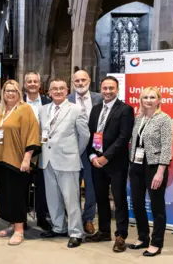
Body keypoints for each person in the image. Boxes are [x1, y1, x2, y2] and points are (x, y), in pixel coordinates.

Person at [84, 76, 134, 252]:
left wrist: (106, 157)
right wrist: (92, 156)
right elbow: (91, 135)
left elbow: (123, 137)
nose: (107, 91)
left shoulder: (126, 109)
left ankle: (121, 235)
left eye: (111, 88)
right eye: (105, 88)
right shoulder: (96, 109)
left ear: (117, 89)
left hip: (116, 164)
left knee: (119, 200)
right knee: (101, 198)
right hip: (96, 162)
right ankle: (104, 231)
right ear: (100, 88)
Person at [39, 78, 90, 248]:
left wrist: (75, 152)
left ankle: (76, 232)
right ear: (49, 92)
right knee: (52, 198)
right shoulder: (43, 110)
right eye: (54, 89)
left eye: (61, 88)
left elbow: (85, 136)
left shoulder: (76, 109)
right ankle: (58, 227)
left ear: (67, 91)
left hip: (68, 160)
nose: (58, 91)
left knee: (71, 199)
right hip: (47, 160)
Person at [0, 80, 41, 246]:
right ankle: (12, 224)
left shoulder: (25, 109)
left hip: (17, 161)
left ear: (19, 92)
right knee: (5, 196)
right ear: (3, 93)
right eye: (7, 91)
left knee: (17, 196)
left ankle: (19, 230)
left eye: (13, 91)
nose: (10, 93)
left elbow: (33, 133)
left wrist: (27, 158)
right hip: (0, 160)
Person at [128, 87, 173, 257]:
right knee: (137, 203)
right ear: (141, 100)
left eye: (152, 97)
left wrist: (160, 172)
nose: (148, 100)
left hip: (154, 167)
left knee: (157, 206)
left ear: (159, 100)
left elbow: (167, 147)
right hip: (136, 165)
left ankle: (156, 243)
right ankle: (143, 237)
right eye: (145, 97)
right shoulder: (138, 118)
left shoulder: (164, 119)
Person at [67, 70, 102, 235]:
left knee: (91, 186)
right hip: (71, 150)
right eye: (77, 80)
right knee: (71, 187)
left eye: (83, 80)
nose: (80, 83)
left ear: (89, 80)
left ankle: (88, 219)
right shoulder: (66, 100)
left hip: (93, 150)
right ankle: (73, 219)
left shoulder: (99, 99)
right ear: (72, 82)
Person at [22, 71, 52, 231]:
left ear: (40, 85)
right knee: (23, 185)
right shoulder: (19, 103)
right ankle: (22, 218)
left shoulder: (48, 102)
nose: (32, 84)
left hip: (44, 150)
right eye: (29, 81)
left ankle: (42, 217)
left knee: (42, 185)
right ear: (25, 84)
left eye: (35, 81)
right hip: (23, 151)